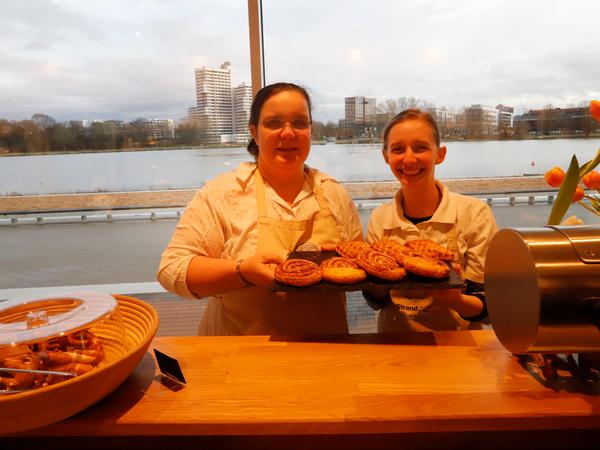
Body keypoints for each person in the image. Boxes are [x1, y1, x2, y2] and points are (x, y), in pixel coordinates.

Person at [157, 82, 362, 336]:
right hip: (238, 358)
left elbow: (361, 266)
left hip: (326, 354)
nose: (288, 133)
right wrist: (242, 272)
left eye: (299, 123)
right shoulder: (222, 193)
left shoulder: (335, 194)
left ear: (311, 130)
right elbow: (172, 270)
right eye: (274, 123)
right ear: (254, 132)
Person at [364, 109, 498, 332]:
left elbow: (488, 309)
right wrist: (368, 270)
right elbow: (375, 302)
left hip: (458, 347)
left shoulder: (475, 215)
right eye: (398, 149)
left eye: (420, 147)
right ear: (386, 156)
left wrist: (455, 300)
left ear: (440, 154)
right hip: (393, 343)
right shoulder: (380, 218)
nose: (408, 158)